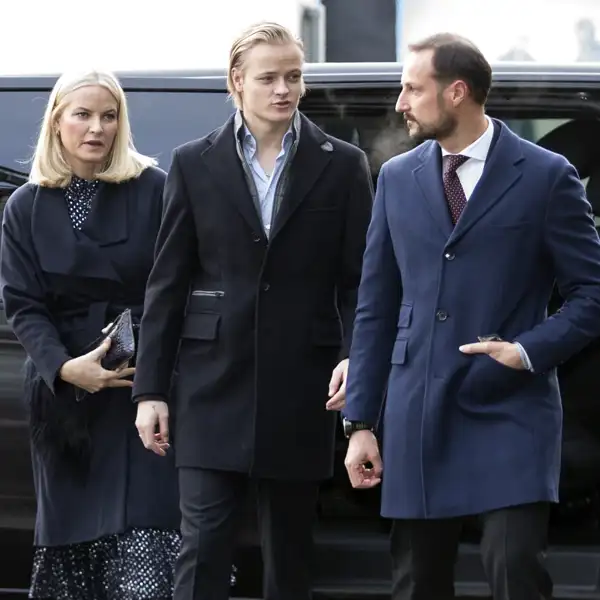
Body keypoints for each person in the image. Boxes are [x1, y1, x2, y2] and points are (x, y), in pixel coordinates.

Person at [342, 32, 600, 600]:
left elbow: (592, 294)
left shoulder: (546, 175)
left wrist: (527, 350)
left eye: (412, 89)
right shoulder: (395, 178)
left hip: (511, 406)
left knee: (516, 572)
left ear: (457, 92)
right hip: (416, 411)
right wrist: (359, 423)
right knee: (417, 582)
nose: (400, 103)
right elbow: (376, 306)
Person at [132, 21, 373, 600]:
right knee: (202, 551)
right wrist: (150, 390)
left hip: (304, 386)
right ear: (237, 82)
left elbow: (359, 285)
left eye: (294, 76)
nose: (284, 89)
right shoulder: (193, 163)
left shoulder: (342, 164)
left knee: (289, 557)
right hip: (211, 385)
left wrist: (353, 363)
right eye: (269, 78)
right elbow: (167, 282)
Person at [0, 70, 181, 600]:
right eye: (82, 114)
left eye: (108, 115)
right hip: (66, 401)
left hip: (142, 387)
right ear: (57, 121)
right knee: (73, 552)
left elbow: (176, 285)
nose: (96, 127)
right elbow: (23, 304)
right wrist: (63, 366)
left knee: (148, 542)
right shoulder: (25, 207)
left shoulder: (154, 188)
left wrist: (145, 360)